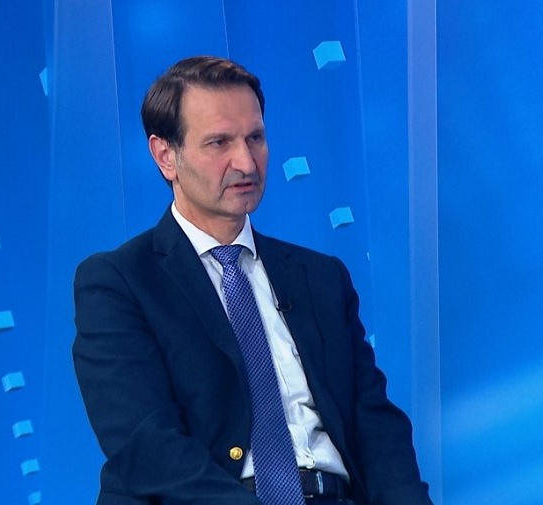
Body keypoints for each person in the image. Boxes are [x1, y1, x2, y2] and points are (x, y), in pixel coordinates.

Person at [72, 55, 433, 505]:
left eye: (255, 138)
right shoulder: (119, 283)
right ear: (166, 156)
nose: (246, 162)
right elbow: (147, 448)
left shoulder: (321, 277)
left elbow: (376, 427)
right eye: (219, 142)